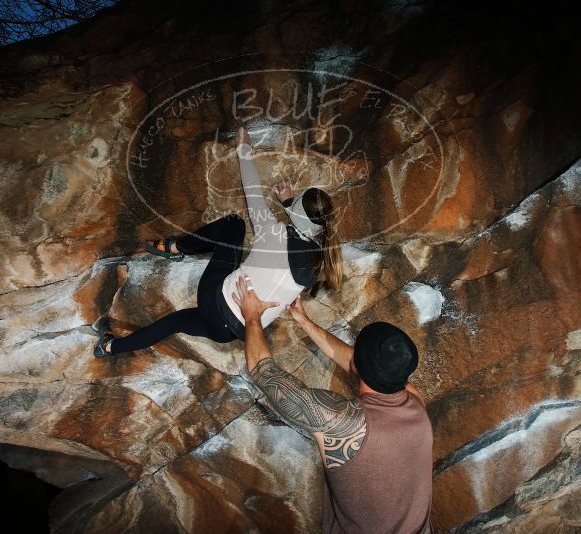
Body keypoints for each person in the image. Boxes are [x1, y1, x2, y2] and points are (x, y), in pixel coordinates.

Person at [92, 126, 343, 357]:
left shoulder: (273, 232)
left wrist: (244, 147)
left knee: (234, 224)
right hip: (232, 331)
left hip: (213, 299)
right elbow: (307, 234)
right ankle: (109, 347)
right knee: (175, 322)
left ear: (299, 212)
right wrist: (290, 205)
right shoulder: (320, 259)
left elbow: (252, 188)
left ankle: (177, 247)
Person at [231, 275, 433, 534]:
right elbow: (356, 362)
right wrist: (303, 320)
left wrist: (251, 316)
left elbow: (265, 373)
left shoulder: (344, 423)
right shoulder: (416, 401)